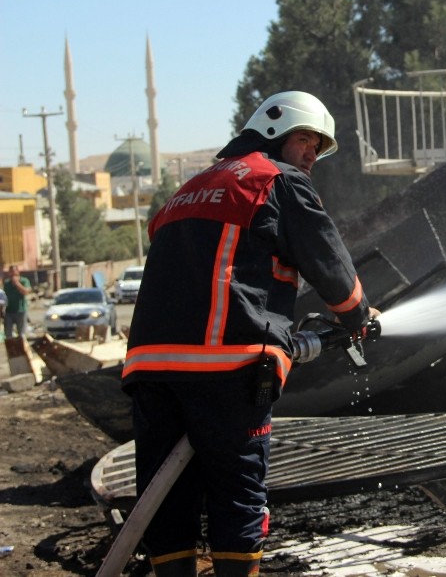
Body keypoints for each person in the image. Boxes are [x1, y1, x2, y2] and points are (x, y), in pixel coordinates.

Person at [122, 91, 377, 577]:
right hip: (226, 370)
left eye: (318, 147)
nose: (311, 155)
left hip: (148, 371)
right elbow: (329, 265)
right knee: (237, 502)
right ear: (274, 132)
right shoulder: (276, 181)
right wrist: (358, 318)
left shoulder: (187, 190)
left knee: (164, 502)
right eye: (306, 139)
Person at [3, 265, 32, 339]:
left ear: (17, 272)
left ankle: (21, 349)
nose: (12, 273)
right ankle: (11, 349)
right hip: (9, 311)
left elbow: (26, 292)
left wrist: (17, 284)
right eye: (11, 272)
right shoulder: (7, 283)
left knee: (21, 334)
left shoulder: (24, 281)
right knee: (8, 334)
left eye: (14, 271)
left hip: (21, 310)